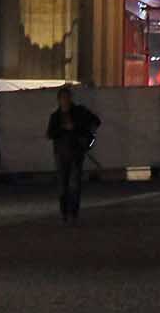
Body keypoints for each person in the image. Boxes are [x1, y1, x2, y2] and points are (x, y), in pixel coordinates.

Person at [45, 84, 101, 224]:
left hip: (76, 152)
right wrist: (64, 128)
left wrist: (83, 132)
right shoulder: (55, 117)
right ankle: (65, 212)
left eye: (67, 98)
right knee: (63, 185)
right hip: (61, 154)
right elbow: (50, 134)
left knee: (74, 185)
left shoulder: (79, 112)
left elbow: (96, 121)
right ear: (59, 100)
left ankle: (73, 213)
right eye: (63, 98)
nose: (65, 101)